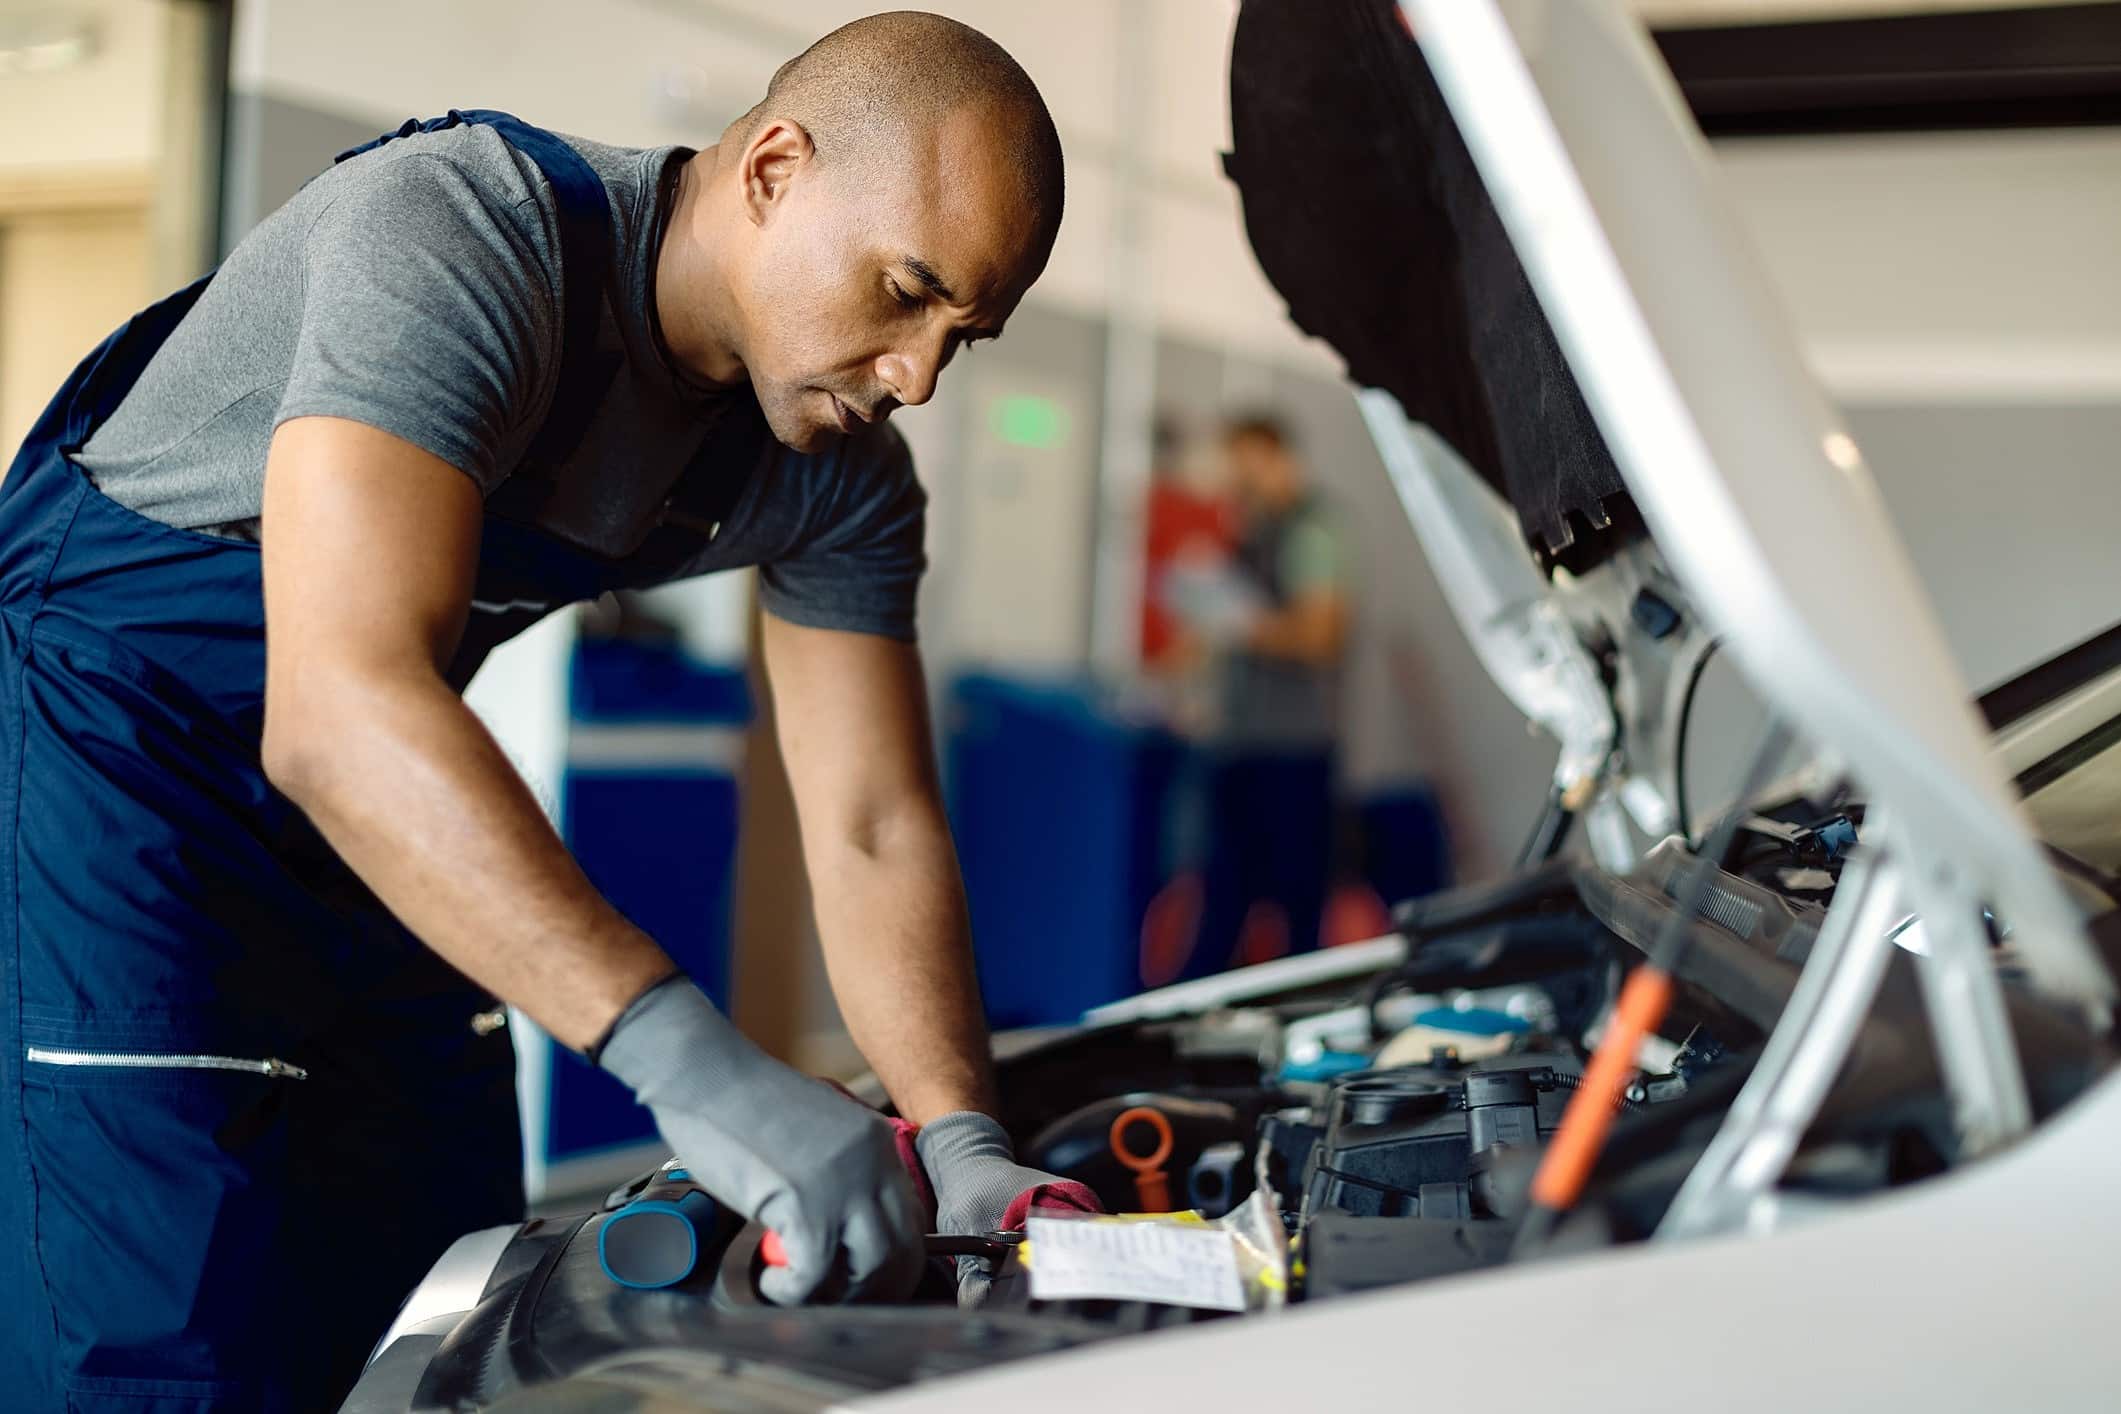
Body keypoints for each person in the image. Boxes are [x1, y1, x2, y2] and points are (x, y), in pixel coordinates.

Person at [0, 12, 1090, 1408]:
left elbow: (873, 821)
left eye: (965, 335)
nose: (918, 376)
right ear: (772, 170)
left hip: (364, 805)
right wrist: (694, 1061)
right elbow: (335, 708)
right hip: (112, 766)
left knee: (445, 1294)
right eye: (903, 290)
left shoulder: (837, 473)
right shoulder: (462, 236)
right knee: (163, 1341)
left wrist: (959, 1133)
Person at [1190, 413, 1354, 976]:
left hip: (1292, 753)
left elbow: (1322, 634)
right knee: (1224, 904)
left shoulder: (1312, 529)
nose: (1235, 477)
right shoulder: (1252, 532)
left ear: (1274, 456)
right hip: (1242, 746)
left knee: (1297, 912)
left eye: (1244, 464)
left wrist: (1244, 625)